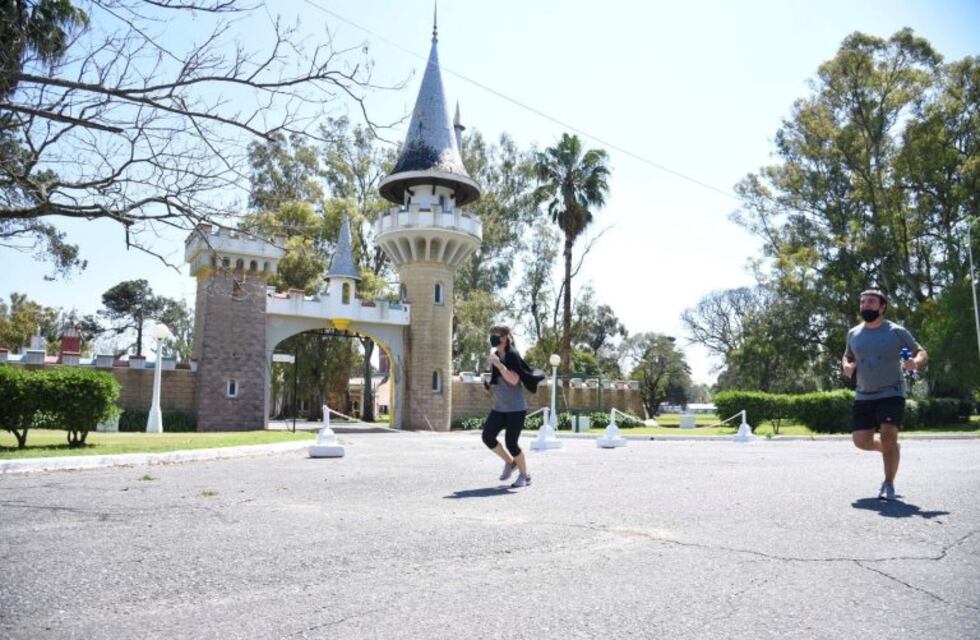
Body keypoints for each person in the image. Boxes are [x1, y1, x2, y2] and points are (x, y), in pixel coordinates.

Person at [842, 289, 927, 501]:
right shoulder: (853, 333)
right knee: (861, 441)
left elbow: (920, 351)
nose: (866, 305)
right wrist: (846, 365)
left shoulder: (896, 331)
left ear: (882, 307)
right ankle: (890, 448)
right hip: (864, 393)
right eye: (863, 302)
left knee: (888, 434)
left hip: (892, 391)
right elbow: (847, 355)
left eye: (871, 302)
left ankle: (888, 484)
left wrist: (915, 363)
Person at [481, 326, 533, 488]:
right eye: (490, 336)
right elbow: (498, 383)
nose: (492, 339)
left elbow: (514, 380)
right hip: (499, 407)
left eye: (494, 336)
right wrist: (487, 388)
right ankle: (511, 463)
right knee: (487, 437)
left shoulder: (512, 355)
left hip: (516, 409)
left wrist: (499, 365)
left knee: (512, 443)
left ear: (504, 338)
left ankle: (525, 476)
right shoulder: (496, 355)